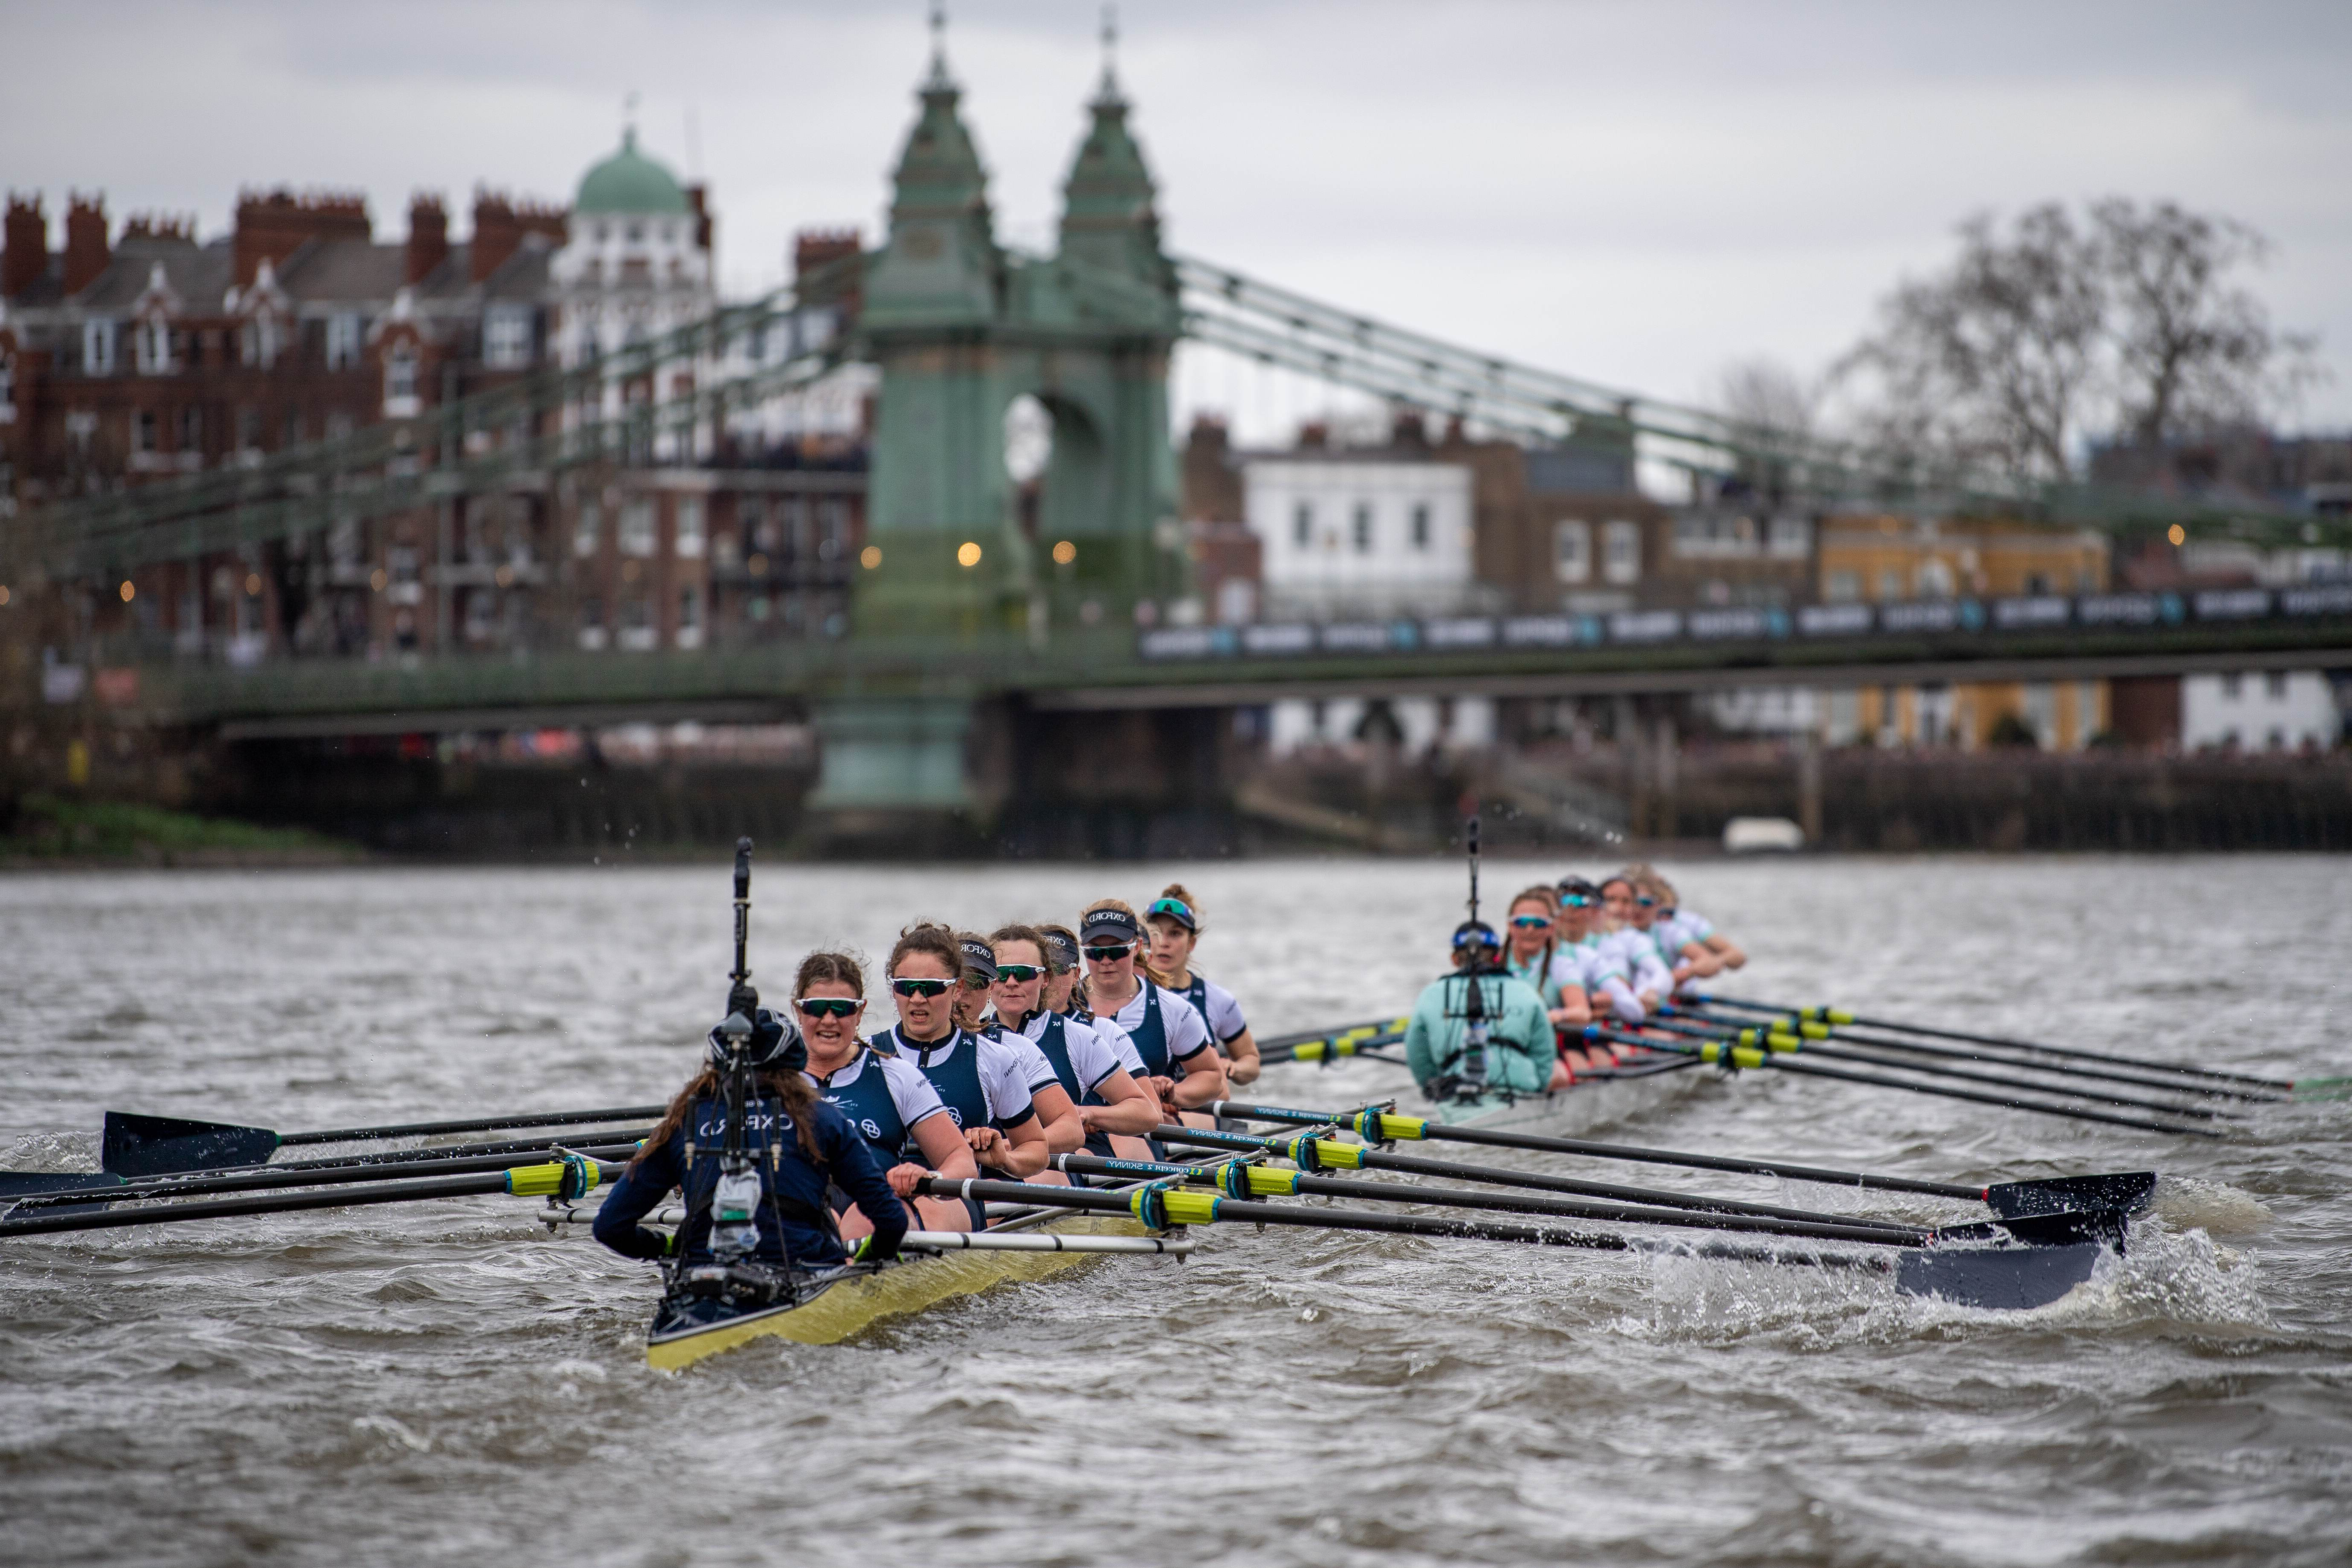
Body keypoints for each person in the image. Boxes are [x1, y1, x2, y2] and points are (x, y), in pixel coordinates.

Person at [593, 1005, 908, 1275]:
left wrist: (669, 1247)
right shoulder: (821, 1118)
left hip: (702, 1277)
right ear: (793, 1063)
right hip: (805, 1272)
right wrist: (869, 1263)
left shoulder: (682, 1123)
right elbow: (892, 1221)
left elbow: (608, 1227)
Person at [793, 949, 985, 1236]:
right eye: (818, 1008)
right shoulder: (774, 1080)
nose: (829, 1020)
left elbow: (962, 1160)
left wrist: (930, 1177)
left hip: (873, 1206)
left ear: (859, 1012)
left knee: (860, 1221)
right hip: (801, 1203)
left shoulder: (895, 1074)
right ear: (799, 1011)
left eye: (843, 1008)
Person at [871, 921, 1052, 1180]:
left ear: (956, 990)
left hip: (955, 1197)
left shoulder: (995, 1058)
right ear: (894, 990)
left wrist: (1004, 1159)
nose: (918, 999)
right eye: (906, 987)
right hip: (874, 1197)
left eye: (932, 988)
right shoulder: (865, 1054)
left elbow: (1036, 1151)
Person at [988, 924, 1160, 1165]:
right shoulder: (971, 1038)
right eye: (1002, 973)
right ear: (988, 980)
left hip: (1071, 1159)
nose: (1012, 982)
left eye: (1025, 973)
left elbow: (1147, 1114)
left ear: (1045, 978)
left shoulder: (1080, 1036)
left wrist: (1088, 1112)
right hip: (992, 1165)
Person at [1076, 900, 1227, 1124]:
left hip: (1138, 1132)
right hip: (1076, 1130)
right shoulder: (1058, 1005)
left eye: (1117, 951)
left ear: (1137, 947)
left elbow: (1212, 1079)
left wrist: (1174, 1094)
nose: (1106, 961)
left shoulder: (1173, 1009)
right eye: (1095, 952)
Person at [952, 932, 1085, 1162]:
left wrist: (1005, 1146)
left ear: (989, 987)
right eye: (954, 982)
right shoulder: (888, 1053)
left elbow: (1073, 1131)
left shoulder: (1017, 1049)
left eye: (975, 982)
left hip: (1010, 1170)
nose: (963, 992)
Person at [1403, 920, 1557, 1103]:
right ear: (1498, 956)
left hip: (1453, 1091)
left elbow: (1417, 1054)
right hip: (1519, 1090)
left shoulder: (1430, 994)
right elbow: (1545, 1053)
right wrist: (1539, 1086)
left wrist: (1434, 1087)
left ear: (1454, 959)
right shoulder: (1526, 992)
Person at [1140, 884, 1262, 1087]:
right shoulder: (1124, 995)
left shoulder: (1218, 1000)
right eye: (1156, 933)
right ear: (1142, 941)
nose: (1164, 942)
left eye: (1175, 934)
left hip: (1197, 1108)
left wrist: (1234, 1068)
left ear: (1191, 944)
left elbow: (1251, 1062)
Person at [1501, 885, 1598, 1075]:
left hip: (1550, 1046)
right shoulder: (1493, 964)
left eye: (1538, 924)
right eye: (1522, 923)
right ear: (1510, 927)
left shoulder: (1562, 965)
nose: (1530, 929)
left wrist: (1557, 1016)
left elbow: (1582, 1013)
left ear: (1551, 929)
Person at [1624, 874, 1719, 991]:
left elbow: (1709, 962)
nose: (1638, 908)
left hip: (1662, 996)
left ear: (1659, 905)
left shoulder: (1670, 931)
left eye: (1645, 903)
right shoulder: (1615, 932)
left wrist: (1676, 976)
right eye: (1633, 902)